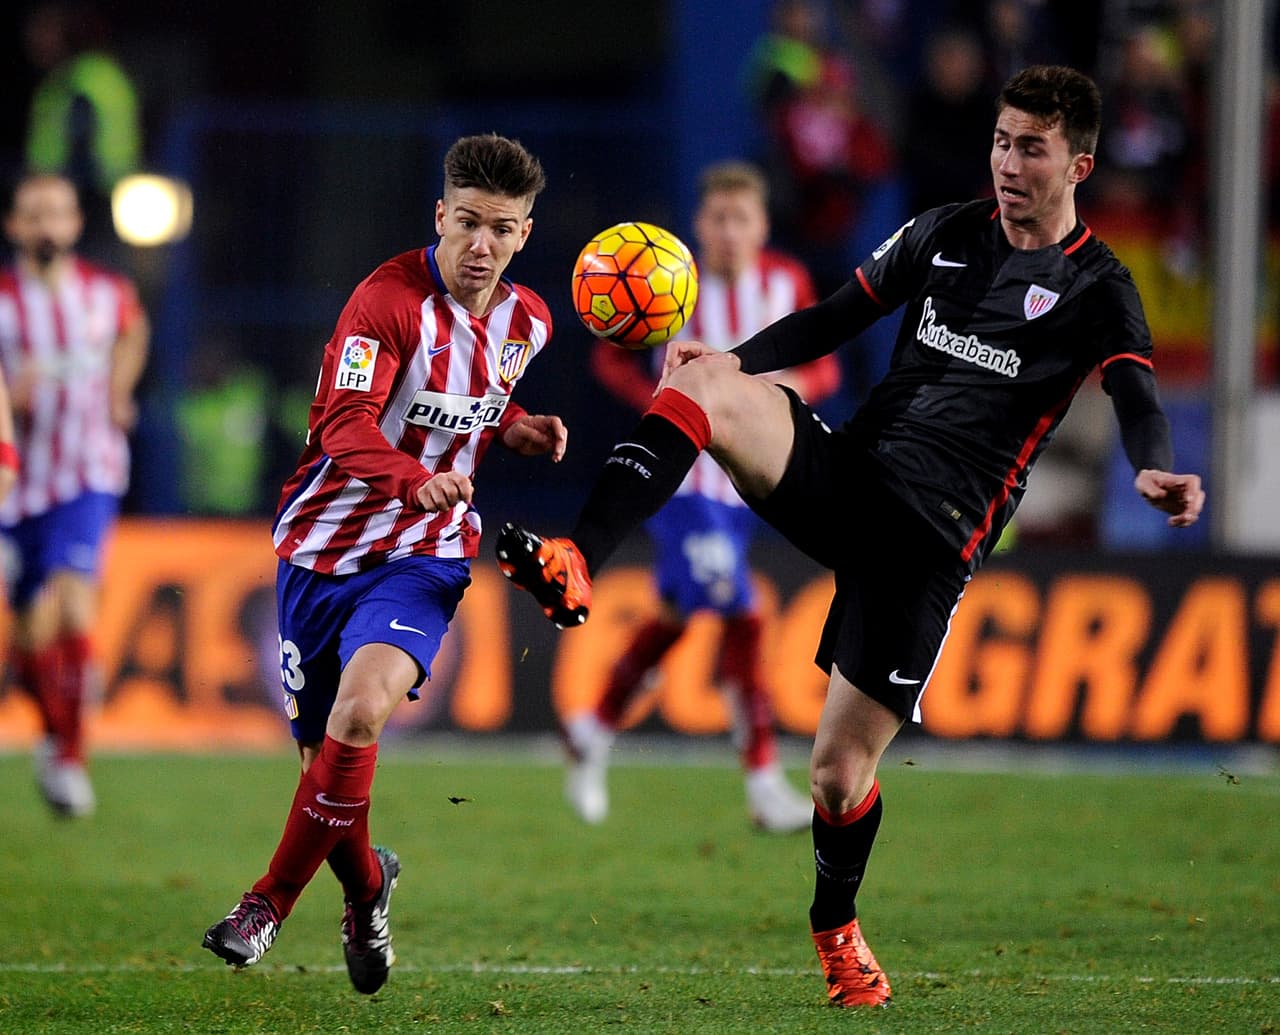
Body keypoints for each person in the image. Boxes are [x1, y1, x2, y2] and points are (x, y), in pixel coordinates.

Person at [496, 67, 1204, 1008]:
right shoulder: (946, 232)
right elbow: (839, 315)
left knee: (836, 777)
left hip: (933, 543)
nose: (1007, 162)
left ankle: (837, 930)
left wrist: (1150, 462)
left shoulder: (1098, 286)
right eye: (1000, 140)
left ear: (1078, 162)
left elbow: (1133, 389)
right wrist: (736, 358)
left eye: (1031, 147)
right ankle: (579, 553)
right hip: (855, 475)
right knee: (703, 389)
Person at [201, 134, 566, 995]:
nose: (481, 245)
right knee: (325, 783)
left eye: (501, 229)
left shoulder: (531, 322)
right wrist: (414, 479)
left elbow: (482, 397)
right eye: (467, 223)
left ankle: (264, 905)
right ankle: (369, 891)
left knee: (360, 716)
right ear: (440, 216)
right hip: (322, 551)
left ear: (524, 235)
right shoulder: (386, 302)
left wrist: (513, 428)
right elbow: (344, 424)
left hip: (425, 555)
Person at [565, 160, 840, 832]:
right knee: (743, 614)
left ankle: (593, 724)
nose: (727, 231)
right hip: (685, 483)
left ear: (762, 225)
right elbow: (608, 355)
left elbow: (825, 364)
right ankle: (763, 781)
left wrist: (779, 403)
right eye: (717, 218)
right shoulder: (666, 284)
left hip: (747, 484)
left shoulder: (786, 282)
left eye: (740, 218)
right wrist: (665, 407)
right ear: (698, 224)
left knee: (676, 614)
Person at [0, 171, 148, 818]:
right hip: (17, 483)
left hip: (88, 472)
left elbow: (134, 330)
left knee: (76, 605)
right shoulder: (3, 303)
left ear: (75, 225)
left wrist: (118, 388)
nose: (46, 226)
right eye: (33, 215)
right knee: (32, 628)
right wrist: (12, 400)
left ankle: (73, 758)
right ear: (13, 227)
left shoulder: (104, 293)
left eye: (57, 213)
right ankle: (56, 732)